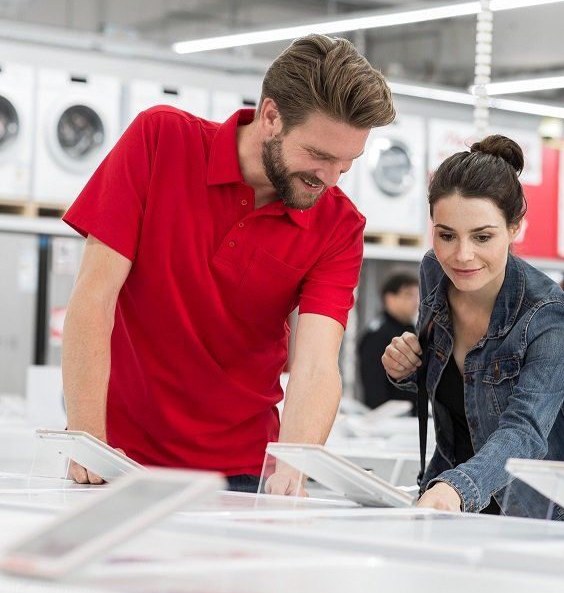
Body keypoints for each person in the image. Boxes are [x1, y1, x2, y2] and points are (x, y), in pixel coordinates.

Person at [60, 34, 395, 494]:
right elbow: (93, 300)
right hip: (118, 460)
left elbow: (316, 366)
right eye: (319, 155)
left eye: (347, 162)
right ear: (271, 116)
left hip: (242, 472)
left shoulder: (338, 226)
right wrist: (86, 437)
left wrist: (293, 466)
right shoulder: (160, 140)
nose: (331, 178)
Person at [382, 135, 564, 517]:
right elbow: (455, 389)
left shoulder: (549, 317)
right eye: (446, 235)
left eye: (483, 236)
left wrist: (457, 488)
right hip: (461, 504)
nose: (462, 255)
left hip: (553, 518)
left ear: (515, 227)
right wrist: (406, 368)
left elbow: (525, 432)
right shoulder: (433, 272)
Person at [357, 272, 419, 410]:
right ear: (390, 298)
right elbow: (374, 388)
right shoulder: (378, 335)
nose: (416, 302)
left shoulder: (410, 330)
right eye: (408, 295)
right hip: (390, 422)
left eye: (417, 295)